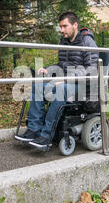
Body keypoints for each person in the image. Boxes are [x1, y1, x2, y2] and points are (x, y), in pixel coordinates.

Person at [15, 11, 99, 148]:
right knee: (38, 85)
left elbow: (91, 70)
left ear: (75, 25)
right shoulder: (64, 41)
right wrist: (48, 70)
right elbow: (62, 65)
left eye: (65, 26)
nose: (62, 30)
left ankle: (46, 136)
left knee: (60, 89)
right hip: (65, 80)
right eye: (61, 27)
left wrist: (66, 80)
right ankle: (34, 130)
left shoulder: (88, 42)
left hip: (83, 85)